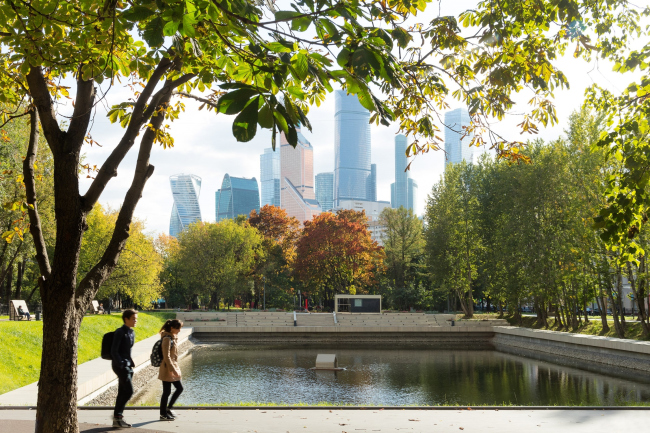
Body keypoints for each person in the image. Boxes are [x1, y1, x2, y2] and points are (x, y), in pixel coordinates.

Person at [111, 309, 138, 428]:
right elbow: (114, 351)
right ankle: (118, 416)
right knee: (129, 391)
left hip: (127, 365)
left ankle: (117, 419)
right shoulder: (120, 332)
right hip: (120, 366)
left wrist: (130, 363)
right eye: (133, 318)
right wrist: (122, 364)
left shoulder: (131, 332)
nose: (135, 321)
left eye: (136, 319)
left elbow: (127, 350)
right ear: (126, 319)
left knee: (122, 391)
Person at [158, 319, 184, 421]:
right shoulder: (167, 339)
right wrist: (172, 369)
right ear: (172, 328)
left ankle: (168, 409)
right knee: (166, 392)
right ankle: (163, 414)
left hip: (172, 367)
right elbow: (166, 356)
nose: (179, 331)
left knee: (179, 388)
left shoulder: (172, 337)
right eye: (178, 328)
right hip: (167, 368)